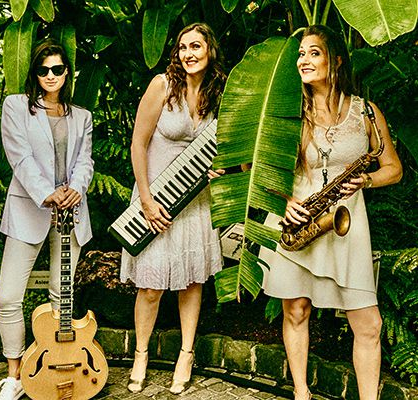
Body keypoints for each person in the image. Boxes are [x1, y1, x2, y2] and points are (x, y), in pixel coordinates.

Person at [259, 25, 402, 400]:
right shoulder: (287, 110)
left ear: (335, 60)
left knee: (369, 324)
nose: (303, 60)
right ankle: (301, 393)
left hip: (347, 227)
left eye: (313, 53)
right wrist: (283, 202)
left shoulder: (366, 112)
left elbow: (393, 168)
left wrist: (367, 181)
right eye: (300, 54)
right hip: (298, 220)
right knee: (296, 312)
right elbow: (254, 167)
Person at [119, 22, 226, 395]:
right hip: (156, 200)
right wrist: (145, 200)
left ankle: (186, 354)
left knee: (192, 283)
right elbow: (138, 144)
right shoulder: (162, 86)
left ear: (210, 50)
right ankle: (141, 354)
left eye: (196, 46)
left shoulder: (218, 93)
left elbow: (231, 152)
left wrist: (221, 168)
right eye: (183, 47)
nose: (188, 53)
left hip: (195, 205)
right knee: (150, 287)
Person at [0, 39, 94, 400]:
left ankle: (53, 366)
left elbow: (85, 160)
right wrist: (47, 193)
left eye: (57, 69)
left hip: (71, 212)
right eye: (43, 69)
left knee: (60, 296)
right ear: (34, 73)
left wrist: (76, 189)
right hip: (29, 208)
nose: (50, 76)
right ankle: (15, 375)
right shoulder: (16, 106)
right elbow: (19, 157)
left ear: (67, 73)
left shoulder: (82, 116)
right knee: (8, 296)